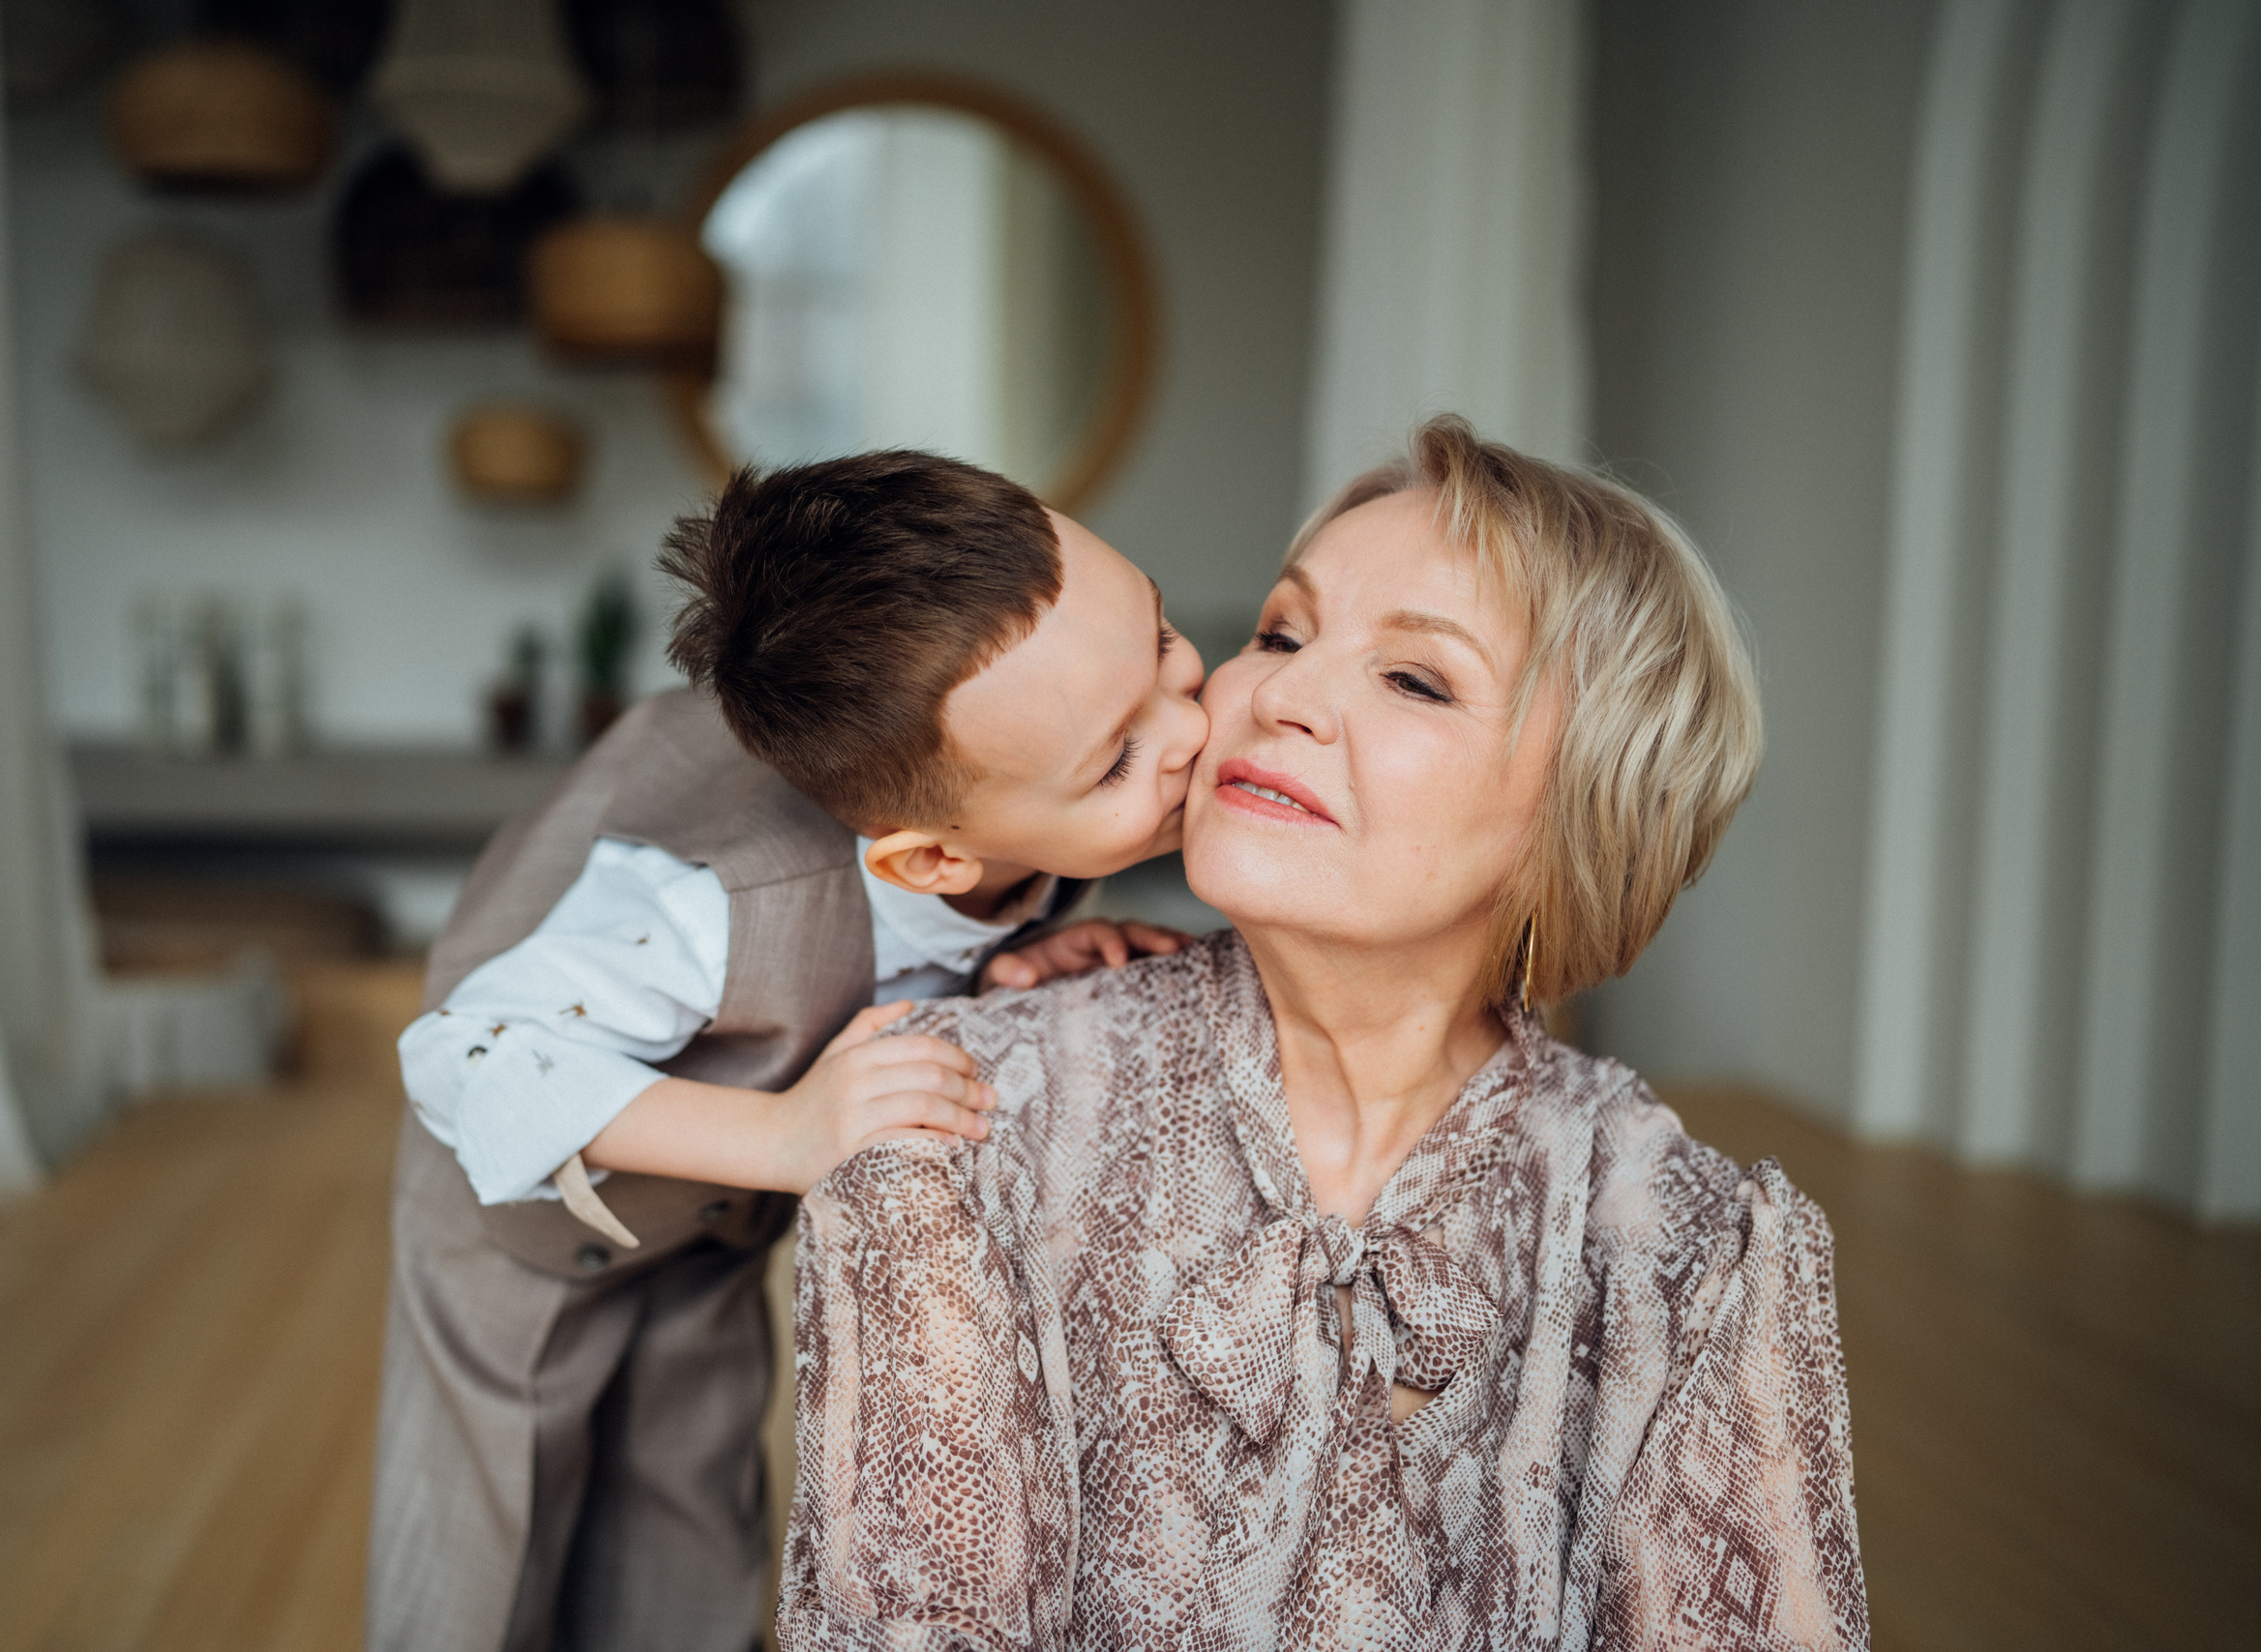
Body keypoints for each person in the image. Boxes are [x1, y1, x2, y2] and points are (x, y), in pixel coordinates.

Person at [779, 416, 1868, 1650]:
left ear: (1586, 805)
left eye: (1414, 678)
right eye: (1279, 630)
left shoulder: (1690, 1244)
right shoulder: (956, 1120)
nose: (1276, 695)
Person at [370, 451, 1205, 1652]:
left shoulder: (1002, 797)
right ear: (929, 856)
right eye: (1121, 758)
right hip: (522, 1214)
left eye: (1170, 645)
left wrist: (1008, 976)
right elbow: (466, 1052)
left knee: (690, 1508)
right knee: (490, 1543)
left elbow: (923, 955)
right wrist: (781, 1132)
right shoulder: (713, 902)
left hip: (710, 1219)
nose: (1190, 726)